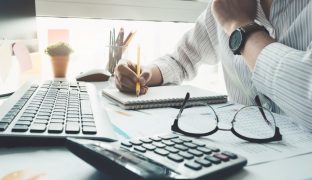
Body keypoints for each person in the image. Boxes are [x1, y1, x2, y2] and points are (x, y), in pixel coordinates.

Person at [114, 0, 312, 130]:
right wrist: (144, 73)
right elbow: (180, 61)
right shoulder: (225, 5)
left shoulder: (231, 12)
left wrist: (239, 26)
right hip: (245, 159)